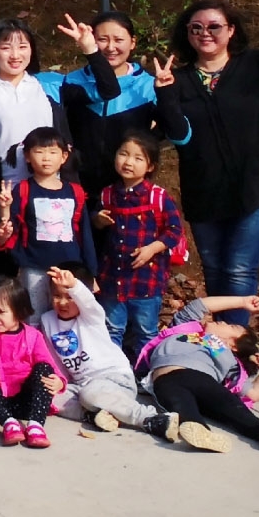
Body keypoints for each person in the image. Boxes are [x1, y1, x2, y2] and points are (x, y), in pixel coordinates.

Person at [155, 0, 259, 327]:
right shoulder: (177, 79)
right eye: (196, 28)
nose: (205, 33)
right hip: (204, 190)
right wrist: (165, 93)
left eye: (214, 26)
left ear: (231, 30)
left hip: (258, 186)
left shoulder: (258, 65)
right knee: (214, 269)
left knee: (239, 267)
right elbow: (176, 135)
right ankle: (222, 342)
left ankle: (235, 342)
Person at [0, 17, 116, 199]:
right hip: (3, 196)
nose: (15, 55)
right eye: (6, 48)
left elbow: (109, 90)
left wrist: (91, 50)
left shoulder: (51, 84)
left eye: (23, 47)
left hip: (55, 192)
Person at [34, 264, 172, 438]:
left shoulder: (91, 316)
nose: (62, 303)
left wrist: (74, 285)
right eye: (57, 296)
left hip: (115, 379)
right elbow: (55, 359)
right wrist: (60, 382)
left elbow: (88, 302)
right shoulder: (47, 320)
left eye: (70, 297)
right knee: (47, 395)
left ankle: (150, 418)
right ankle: (94, 416)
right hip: (82, 385)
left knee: (90, 395)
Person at [56, 12, 179, 198]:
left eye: (119, 39)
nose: (110, 47)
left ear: (133, 42)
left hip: (126, 188)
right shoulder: (73, 81)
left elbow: (175, 132)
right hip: (77, 185)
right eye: (102, 40)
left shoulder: (148, 85)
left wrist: (143, 145)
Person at [141, 293, 259, 453]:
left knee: (230, 407)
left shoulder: (229, 358)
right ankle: (200, 431)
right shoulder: (185, 328)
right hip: (166, 379)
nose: (223, 321)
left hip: (202, 379)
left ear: (233, 345)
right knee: (180, 406)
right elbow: (200, 306)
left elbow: (253, 393)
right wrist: (242, 301)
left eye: (231, 327)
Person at [93, 130, 185, 357]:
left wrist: (152, 248)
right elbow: (95, 223)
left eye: (138, 158)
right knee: (111, 330)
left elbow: (175, 230)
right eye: (123, 154)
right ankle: (114, 369)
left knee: (146, 331)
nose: (128, 162)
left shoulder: (158, 196)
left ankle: (147, 370)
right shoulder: (107, 194)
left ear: (150, 166)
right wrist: (98, 220)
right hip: (113, 279)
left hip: (146, 280)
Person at [0, 127, 97, 308]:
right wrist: (5, 208)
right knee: (34, 314)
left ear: (64, 156)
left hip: (69, 268)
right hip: (34, 267)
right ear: (27, 156)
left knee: (67, 313)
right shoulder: (23, 190)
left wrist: (91, 272)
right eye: (39, 152)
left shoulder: (75, 192)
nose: (46, 158)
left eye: (53, 152)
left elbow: (84, 233)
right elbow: (9, 227)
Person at [0, 277, 62, 449]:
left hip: (26, 402)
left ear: (19, 311)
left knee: (44, 368)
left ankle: (36, 425)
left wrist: (59, 381)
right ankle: (9, 424)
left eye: (1, 311)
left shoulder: (33, 336)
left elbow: (47, 361)